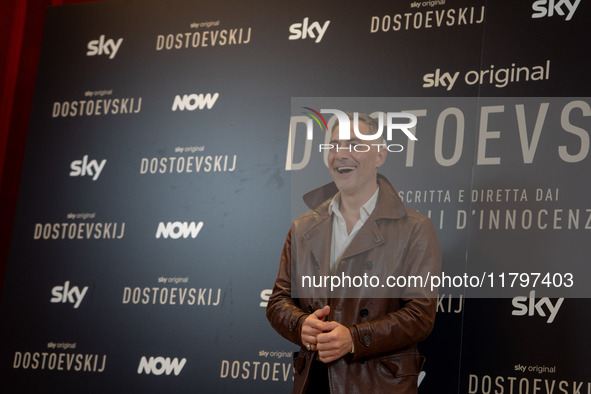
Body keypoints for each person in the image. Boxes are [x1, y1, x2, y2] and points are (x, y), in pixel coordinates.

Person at [266, 112, 441, 394]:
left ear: (380, 155)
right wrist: (300, 325)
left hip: (377, 385)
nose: (341, 154)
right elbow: (278, 302)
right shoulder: (302, 227)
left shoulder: (415, 228)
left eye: (355, 144)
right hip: (314, 382)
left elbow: (420, 316)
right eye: (334, 146)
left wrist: (355, 338)